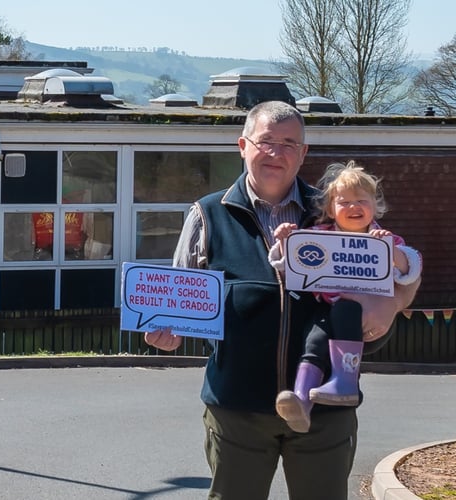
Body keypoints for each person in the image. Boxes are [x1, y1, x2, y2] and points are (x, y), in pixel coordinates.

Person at [143, 101, 421, 500]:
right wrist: (167, 331)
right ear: (243, 145)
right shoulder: (207, 214)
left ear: (304, 153)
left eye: (290, 143)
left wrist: (392, 304)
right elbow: (179, 298)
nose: (277, 152)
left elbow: (400, 271)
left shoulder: (336, 209)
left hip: (325, 413)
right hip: (236, 408)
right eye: (267, 141)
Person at [268, 160, 422, 433]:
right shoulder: (319, 235)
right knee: (313, 339)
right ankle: (301, 401)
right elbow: (289, 265)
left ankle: (346, 381)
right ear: (331, 209)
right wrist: (285, 241)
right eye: (344, 202)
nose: (354, 207)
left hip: (364, 314)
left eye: (361, 200)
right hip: (328, 310)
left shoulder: (383, 238)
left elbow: (411, 267)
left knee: (346, 310)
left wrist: (391, 253)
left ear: (375, 206)